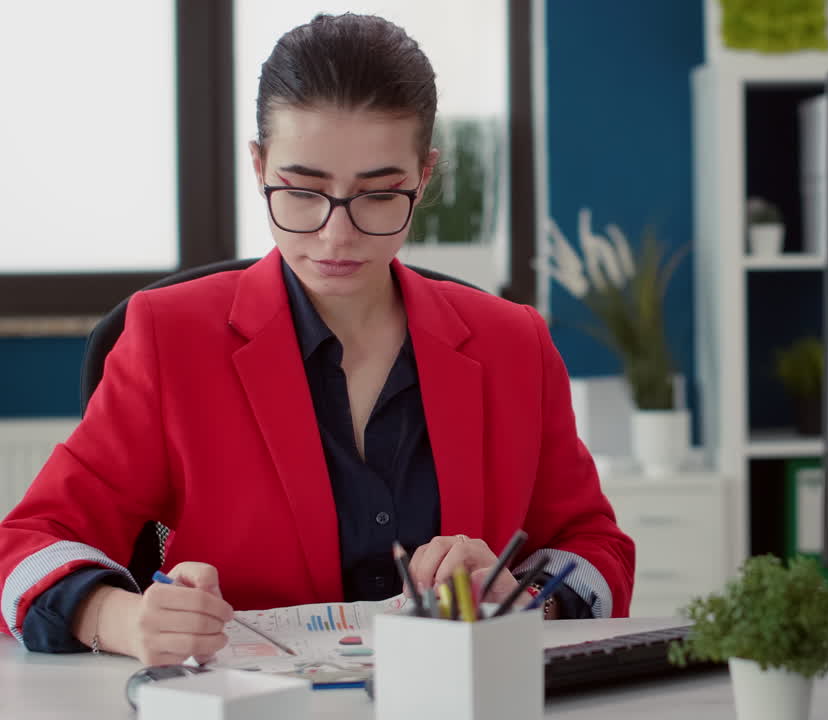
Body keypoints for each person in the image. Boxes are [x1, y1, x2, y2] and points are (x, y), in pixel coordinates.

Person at [0, 13, 635, 666]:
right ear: (258, 165)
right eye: (303, 190)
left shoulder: (513, 345)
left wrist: (524, 600)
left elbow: (596, 547)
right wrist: (121, 617)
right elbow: (27, 542)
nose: (337, 236)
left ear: (425, 174)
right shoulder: (169, 337)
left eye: (379, 194)